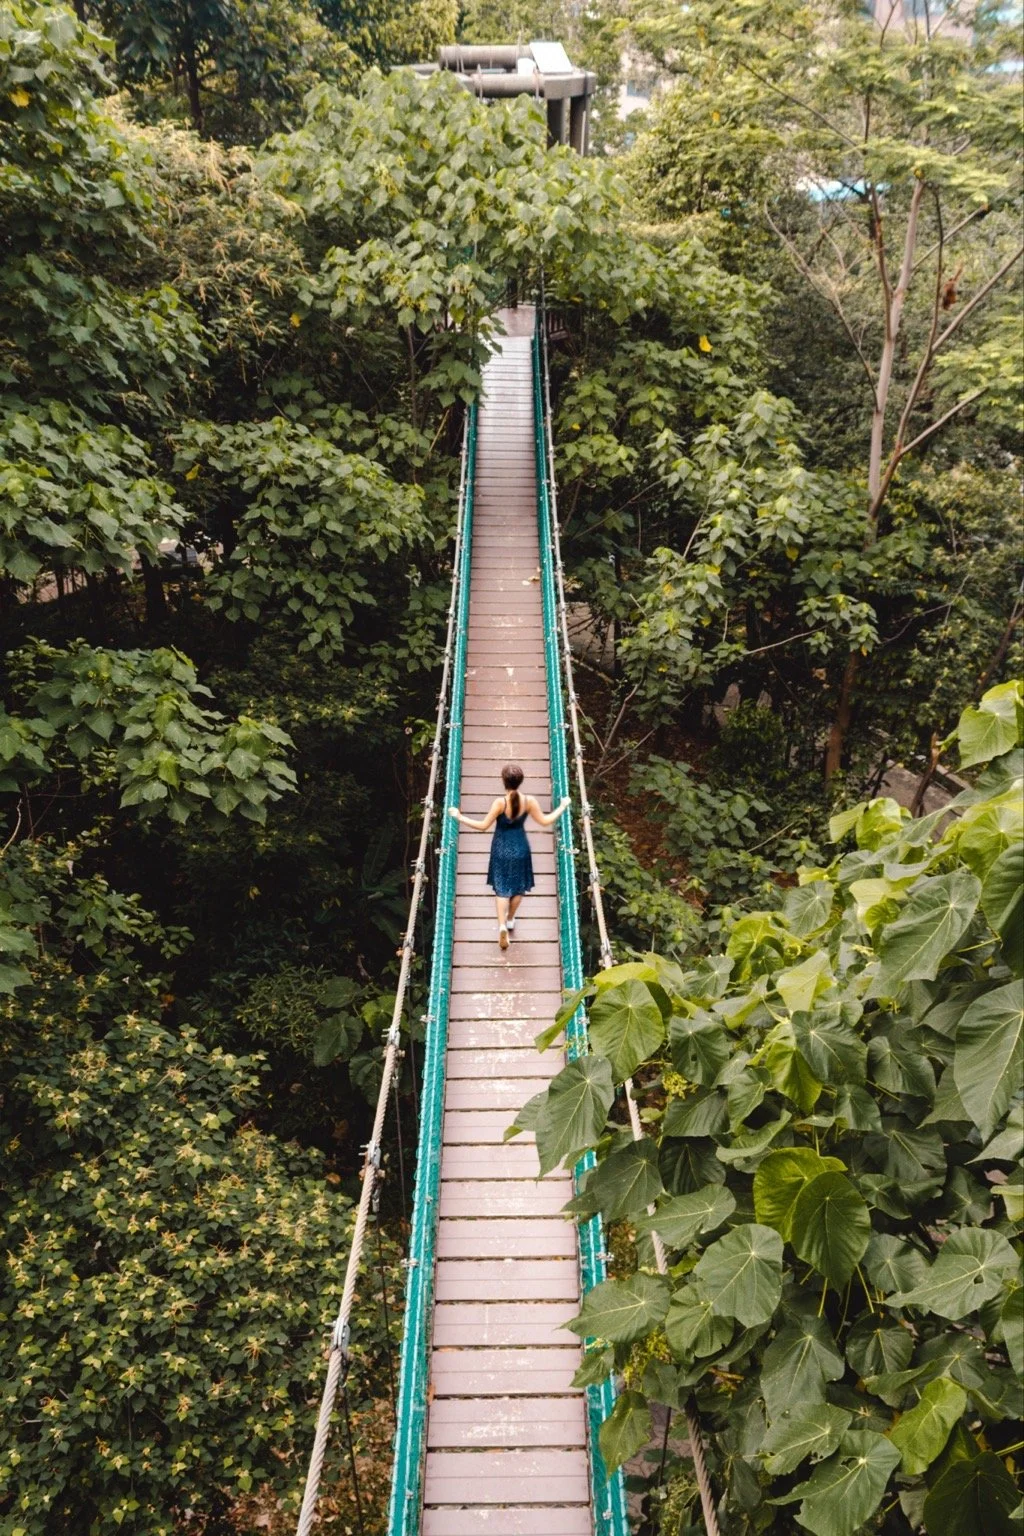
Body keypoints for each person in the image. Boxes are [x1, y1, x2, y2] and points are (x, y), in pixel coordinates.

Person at [450, 762, 570, 949]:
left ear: (503, 781)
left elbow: (483, 826)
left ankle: (501, 926)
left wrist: (459, 816)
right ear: (521, 781)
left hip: (501, 849)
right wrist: (563, 806)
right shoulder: (529, 801)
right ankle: (511, 918)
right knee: (518, 887)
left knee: (501, 888)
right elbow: (546, 821)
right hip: (521, 848)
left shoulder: (500, 803)